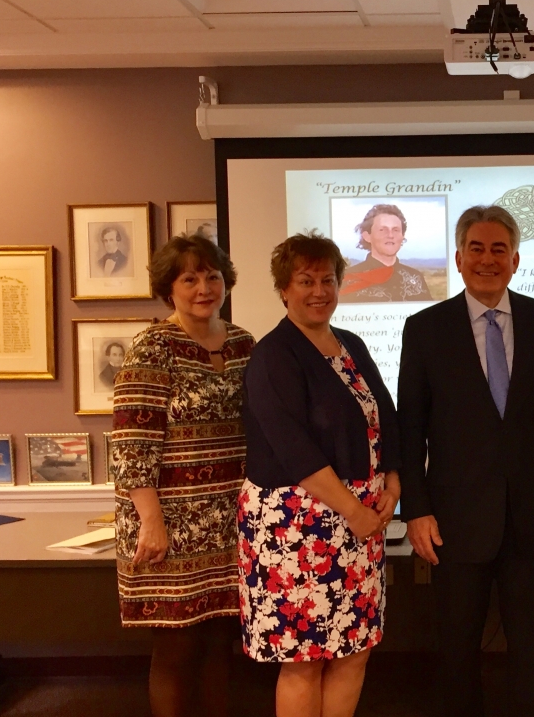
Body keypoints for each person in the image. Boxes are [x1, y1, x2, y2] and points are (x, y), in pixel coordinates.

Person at [398, 205, 534, 717]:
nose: (487, 259)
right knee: (457, 651)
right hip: (454, 523)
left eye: (498, 249)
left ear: (516, 259)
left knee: (531, 650)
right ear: (458, 258)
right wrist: (415, 508)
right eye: (476, 248)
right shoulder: (424, 328)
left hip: (533, 518)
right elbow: (409, 428)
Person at [239, 231, 401, 717]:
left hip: (358, 526)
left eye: (327, 279)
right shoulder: (273, 354)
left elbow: (385, 417)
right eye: (304, 280)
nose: (318, 291)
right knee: (303, 659)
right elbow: (293, 448)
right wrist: (354, 510)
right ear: (283, 289)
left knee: (355, 648)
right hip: (296, 529)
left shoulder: (349, 343)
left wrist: (393, 482)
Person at [112, 234, 255, 717]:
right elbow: (132, 443)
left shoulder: (244, 343)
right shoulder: (152, 347)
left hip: (231, 519)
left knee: (220, 643)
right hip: (169, 522)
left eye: (212, 276)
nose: (204, 287)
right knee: (177, 649)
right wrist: (151, 521)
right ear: (168, 288)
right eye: (189, 277)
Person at [340, 204, 433, 302]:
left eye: (396, 230)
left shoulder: (416, 277)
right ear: (367, 236)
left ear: (402, 236)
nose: (390, 235)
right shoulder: (347, 278)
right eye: (382, 230)